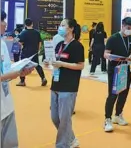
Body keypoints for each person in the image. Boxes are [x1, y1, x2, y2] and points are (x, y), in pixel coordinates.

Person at [45, 18, 84, 148]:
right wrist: (48, 62)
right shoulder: (59, 45)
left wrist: (62, 64)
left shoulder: (77, 46)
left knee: (64, 120)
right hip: (55, 84)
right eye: (60, 25)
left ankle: (62, 145)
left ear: (71, 28)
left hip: (68, 87)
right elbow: (55, 61)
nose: (60, 27)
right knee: (55, 118)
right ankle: (72, 139)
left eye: (63, 25)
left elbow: (80, 66)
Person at [1, 11, 34, 148]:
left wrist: (20, 70)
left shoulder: (2, 43)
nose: (5, 24)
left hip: (6, 102)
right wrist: (12, 74)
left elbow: (6, 69)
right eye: (2, 20)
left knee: (11, 143)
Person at [104, 17, 131, 132]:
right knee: (113, 94)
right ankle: (107, 119)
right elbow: (106, 54)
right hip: (115, 70)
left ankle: (118, 115)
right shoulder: (113, 38)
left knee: (124, 92)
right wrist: (116, 58)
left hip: (126, 69)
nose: (130, 30)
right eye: (128, 28)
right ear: (122, 26)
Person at [16, 18, 47, 87]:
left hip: (25, 52)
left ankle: (22, 81)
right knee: (37, 65)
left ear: (25, 24)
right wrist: (37, 50)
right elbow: (39, 42)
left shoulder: (23, 33)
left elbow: (19, 42)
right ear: (32, 23)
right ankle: (43, 78)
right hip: (34, 52)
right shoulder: (37, 32)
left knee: (22, 66)